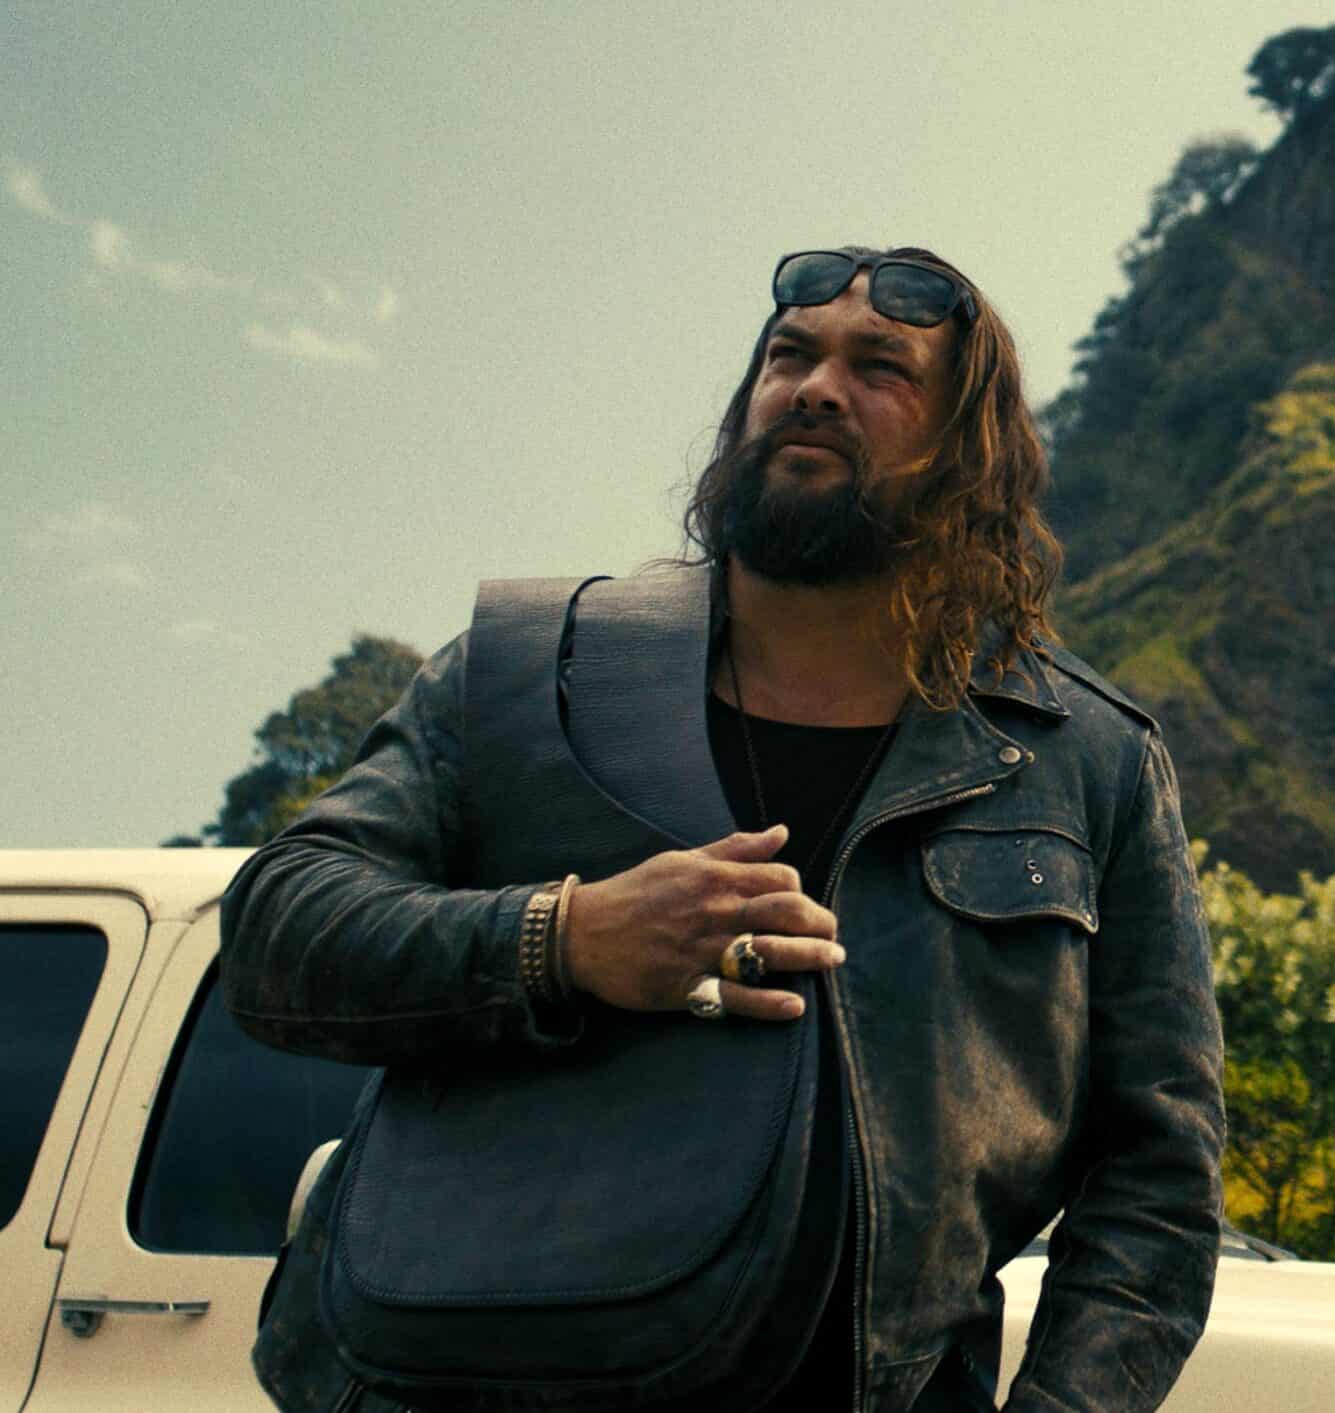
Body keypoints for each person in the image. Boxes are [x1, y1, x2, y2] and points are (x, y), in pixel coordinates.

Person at [223, 246, 1225, 1412]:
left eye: (880, 368)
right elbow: (279, 934)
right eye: (789, 357)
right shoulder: (527, 674)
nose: (816, 389)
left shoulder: (1087, 760)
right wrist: (562, 939)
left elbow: (1158, 1174)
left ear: (969, 454)